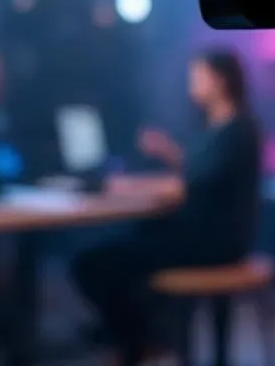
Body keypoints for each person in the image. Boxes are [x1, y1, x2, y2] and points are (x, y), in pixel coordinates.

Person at [70, 48, 262, 365]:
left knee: (95, 263)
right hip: (203, 232)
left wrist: (121, 185)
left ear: (220, 80)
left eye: (197, 76)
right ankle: (143, 336)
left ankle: (138, 340)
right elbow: (196, 172)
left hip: (214, 241)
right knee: (124, 244)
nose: (192, 84)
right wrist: (167, 154)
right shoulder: (222, 127)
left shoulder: (238, 130)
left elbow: (186, 184)